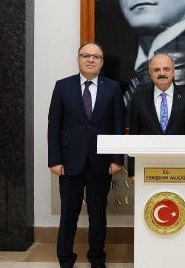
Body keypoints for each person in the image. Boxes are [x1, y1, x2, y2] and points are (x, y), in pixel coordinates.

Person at [47, 43, 125, 268]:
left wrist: (117, 158)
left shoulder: (113, 88)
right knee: (68, 214)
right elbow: (54, 125)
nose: (91, 60)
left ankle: (97, 259)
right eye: (86, 55)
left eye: (96, 56)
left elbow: (118, 125)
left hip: (101, 162)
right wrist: (55, 159)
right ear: (78, 59)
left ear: (102, 62)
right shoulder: (63, 86)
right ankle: (65, 259)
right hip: (69, 162)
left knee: (98, 215)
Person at [127, 53, 185, 180]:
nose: (161, 73)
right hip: (147, 167)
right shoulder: (139, 99)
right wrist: (132, 171)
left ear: (173, 72)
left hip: (183, 167)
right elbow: (134, 136)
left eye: (166, 69)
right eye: (156, 70)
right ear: (151, 74)